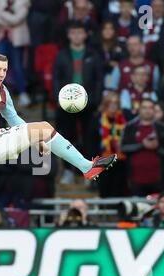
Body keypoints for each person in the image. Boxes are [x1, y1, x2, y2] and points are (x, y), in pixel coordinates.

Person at [0, 52, 117, 251]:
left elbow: (13, 119)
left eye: (4, 70)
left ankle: (87, 167)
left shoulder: (2, 91)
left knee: (44, 128)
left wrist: (36, 139)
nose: (1, 73)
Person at [52, 21, 104, 184]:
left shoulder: (93, 54)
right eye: (73, 33)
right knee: (66, 138)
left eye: (79, 32)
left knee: (90, 138)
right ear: (68, 35)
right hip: (66, 105)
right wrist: (58, 99)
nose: (76, 36)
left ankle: (88, 171)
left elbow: (99, 80)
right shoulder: (62, 55)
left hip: (89, 105)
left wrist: (95, 100)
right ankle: (68, 171)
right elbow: (55, 79)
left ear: (85, 34)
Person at [121, 98, 164, 196]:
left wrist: (158, 147)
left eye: (150, 108)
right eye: (144, 107)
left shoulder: (163, 129)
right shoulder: (130, 127)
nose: (147, 110)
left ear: (154, 110)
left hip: (158, 180)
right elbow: (123, 148)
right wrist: (142, 145)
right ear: (139, 110)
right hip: (135, 180)